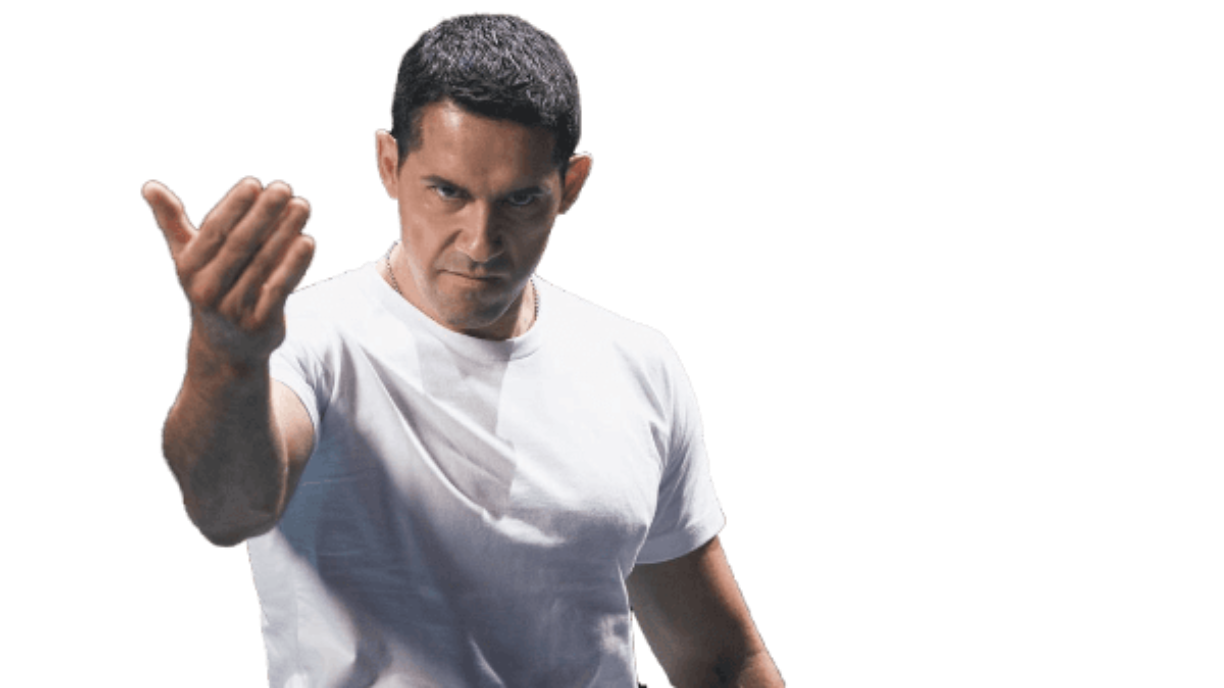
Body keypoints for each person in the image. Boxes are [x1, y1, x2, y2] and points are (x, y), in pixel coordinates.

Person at [144, 12, 783, 688]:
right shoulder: (308, 338)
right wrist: (226, 358)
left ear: (571, 185)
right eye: (447, 192)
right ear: (389, 164)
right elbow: (226, 510)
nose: (480, 242)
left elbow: (720, 660)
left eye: (520, 200)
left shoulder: (638, 363)